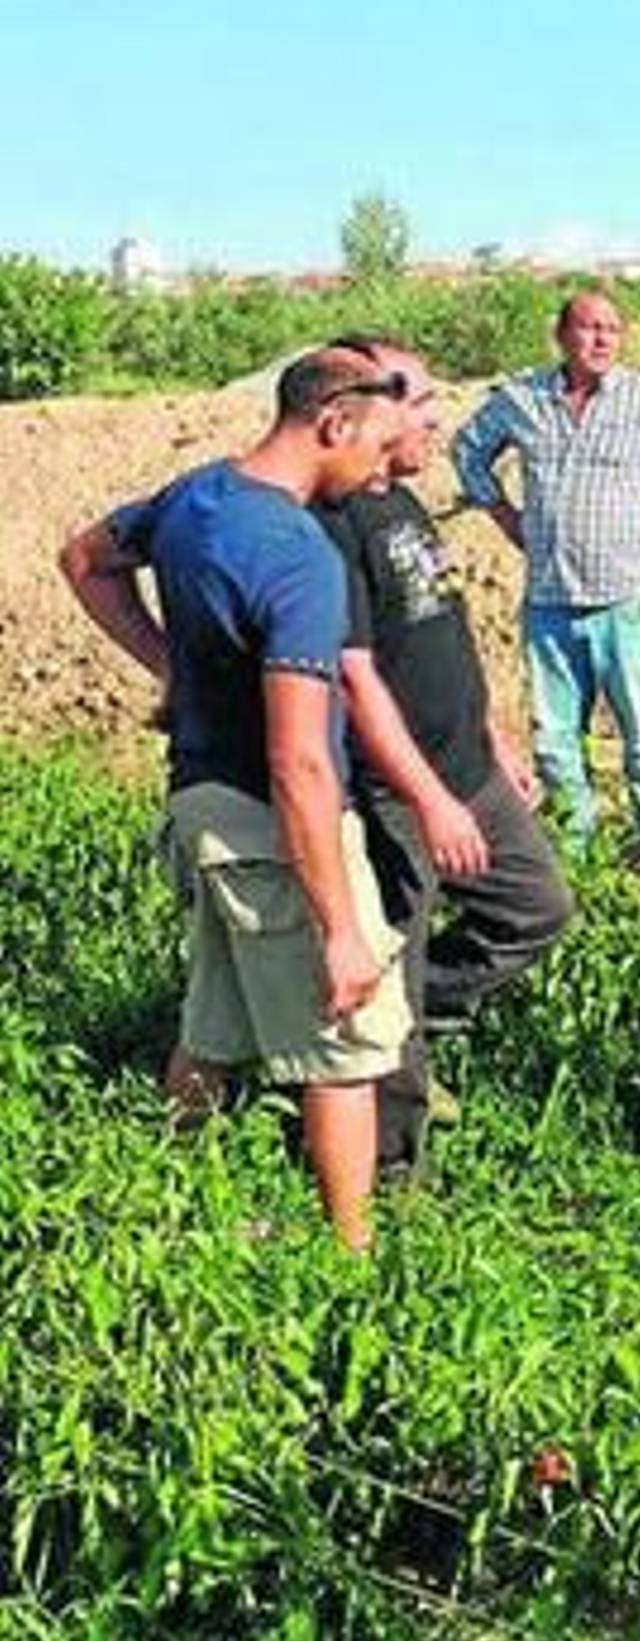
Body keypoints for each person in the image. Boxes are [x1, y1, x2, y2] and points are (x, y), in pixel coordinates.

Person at [58, 349, 411, 1249]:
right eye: (378, 443)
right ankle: (352, 1262)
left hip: (202, 807)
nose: (384, 464)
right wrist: (339, 926)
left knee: (212, 1030)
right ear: (332, 422)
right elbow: (300, 761)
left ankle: (167, 1213)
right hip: (269, 821)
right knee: (345, 1044)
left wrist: (170, 667)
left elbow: (85, 559)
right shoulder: (297, 554)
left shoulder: (198, 495)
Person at [316, 336, 575, 1173]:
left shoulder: (403, 502)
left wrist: (493, 734)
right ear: (377, 410)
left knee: (536, 909)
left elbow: (443, 631)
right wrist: (428, 798)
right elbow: (355, 677)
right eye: (424, 403)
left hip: (468, 768)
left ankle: (414, 1010)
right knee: (394, 956)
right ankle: (394, 1169)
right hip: (399, 790)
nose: (438, 420)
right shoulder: (334, 521)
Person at [450, 291, 640, 877]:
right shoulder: (523, 399)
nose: (601, 339)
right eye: (589, 327)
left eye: (612, 329)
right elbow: (466, 450)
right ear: (561, 335)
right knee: (554, 736)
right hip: (549, 597)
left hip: (627, 595)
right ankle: (575, 843)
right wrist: (502, 513)